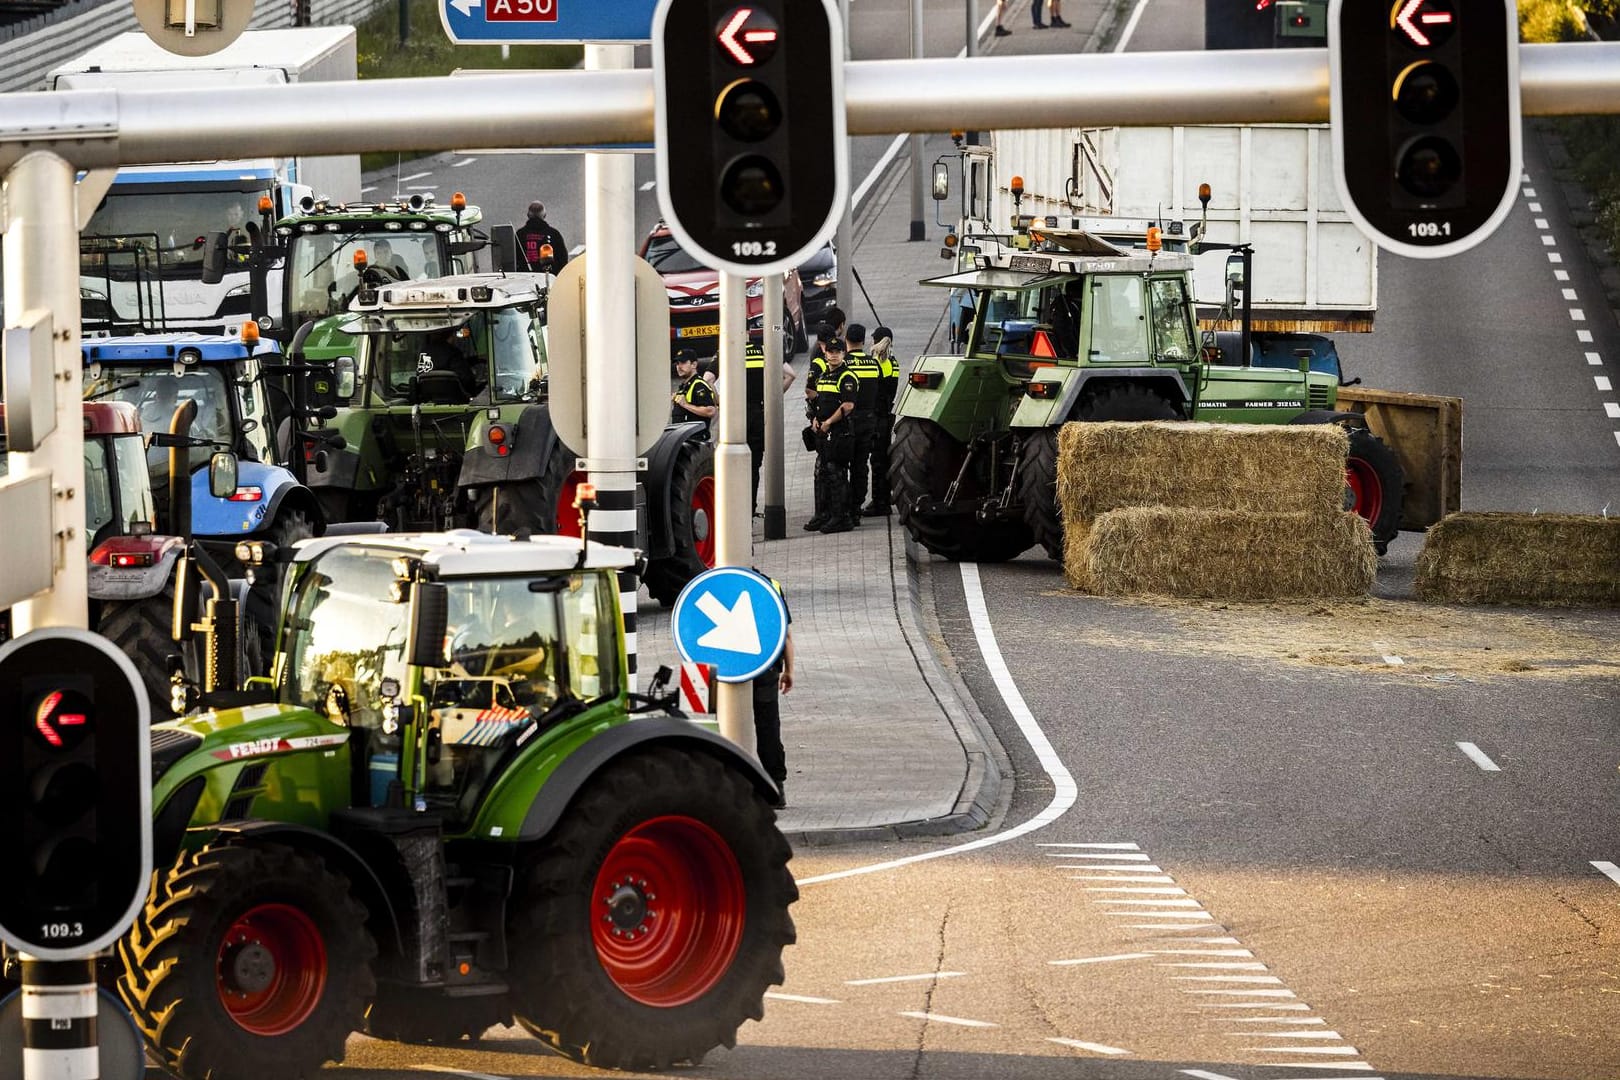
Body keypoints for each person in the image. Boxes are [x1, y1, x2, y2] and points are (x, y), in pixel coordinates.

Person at [803, 334, 858, 533]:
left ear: (844, 353)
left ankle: (841, 517)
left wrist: (828, 422)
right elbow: (818, 401)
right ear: (825, 353)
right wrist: (816, 420)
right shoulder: (824, 375)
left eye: (838, 352)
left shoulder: (847, 376)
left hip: (839, 433)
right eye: (830, 352)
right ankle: (823, 514)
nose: (834, 355)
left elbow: (848, 405)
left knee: (837, 474)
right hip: (823, 433)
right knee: (822, 473)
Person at [753, 573, 794, 809]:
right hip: (765, 668)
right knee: (768, 727)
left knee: (723, 726)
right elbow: (786, 634)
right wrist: (790, 670)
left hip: (724, 670)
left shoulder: (716, 581)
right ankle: (776, 789)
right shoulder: (770, 584)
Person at [744, 335, 797, 514]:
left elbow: (708, 379)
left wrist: (721, 403)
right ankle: (750, 509)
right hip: (759, 414)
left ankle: (737, 510)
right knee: (753, 466)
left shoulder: (726, 353)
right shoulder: (764, 351)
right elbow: (791, 375)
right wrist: (773, 396)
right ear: (749, 332)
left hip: (736, 417)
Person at [843, 324, 882, 524]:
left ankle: (843, 509)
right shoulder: (873, 364)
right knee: (860, 466)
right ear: (864, 341)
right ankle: (856, 507)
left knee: (841, 466)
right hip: (868, 421)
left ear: (845, 340)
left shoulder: (843, 364)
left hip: (846, 422)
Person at [863, 326, 898, 516]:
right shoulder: (894, 363)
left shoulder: (874, 363)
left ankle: (879, 503)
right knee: (884, 459)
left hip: (875, 416)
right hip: (886, 415)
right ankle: (884, 498)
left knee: (876, 461)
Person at [417, 325, 482, 399]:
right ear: (451, 335)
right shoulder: (453, 352)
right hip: (455, 400)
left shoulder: (424, 352)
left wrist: (474, 360)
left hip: (428, 399)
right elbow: (467, 379)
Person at [516, 201, 569, 272]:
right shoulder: (554, 234)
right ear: (544, 215)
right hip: (548, 276)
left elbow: (512, 259)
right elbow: (563, 259)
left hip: (525, 278)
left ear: (528, 215)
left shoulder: (520, 234)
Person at [670, 348, 717, 426]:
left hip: (694, 437)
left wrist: (685, 405)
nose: (679, 367)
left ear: (694, 364)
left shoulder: (699, 385)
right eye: (677, 363)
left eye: (683, 362)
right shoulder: (685, 385)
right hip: (682, 435)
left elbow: (710, 411)